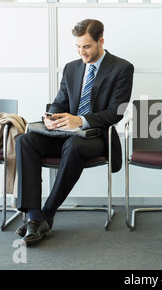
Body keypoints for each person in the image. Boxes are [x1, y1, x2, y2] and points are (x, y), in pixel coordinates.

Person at [15, 19, 134, 245]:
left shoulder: (122, 68)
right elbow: (60, 103)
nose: (82, 52)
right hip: (63, 134)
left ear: (101, 41)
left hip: (96, 137)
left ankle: (47, 212)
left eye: (87, 46)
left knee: (74, 145)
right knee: (24, 140)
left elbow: (115, 113)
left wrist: (80, 120)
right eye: (78, 47)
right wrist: (51, 118)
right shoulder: (72, 68)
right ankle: (33, 216)